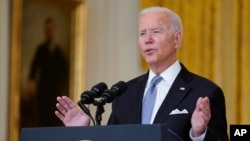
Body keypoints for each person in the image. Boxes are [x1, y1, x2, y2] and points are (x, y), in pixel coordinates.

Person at [55, 7, 228, 140]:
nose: (148, 39)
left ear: (177, 39)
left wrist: (199, 134)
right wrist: (81, 133)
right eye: (142, 33)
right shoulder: (123, 94)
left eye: (156, 31)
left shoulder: (205, 92)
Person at [26, 17, 69, 127]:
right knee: (43, 119)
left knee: (54, 119)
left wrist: (59, 83)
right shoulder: (41, 49)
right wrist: (31, 82)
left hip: (54, 92)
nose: (49, 32)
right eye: (47, 30)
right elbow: (34, 67)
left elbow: (64, 70)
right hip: (43, 92)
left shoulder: (58, 51)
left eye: (51, 29)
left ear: (54, 31)